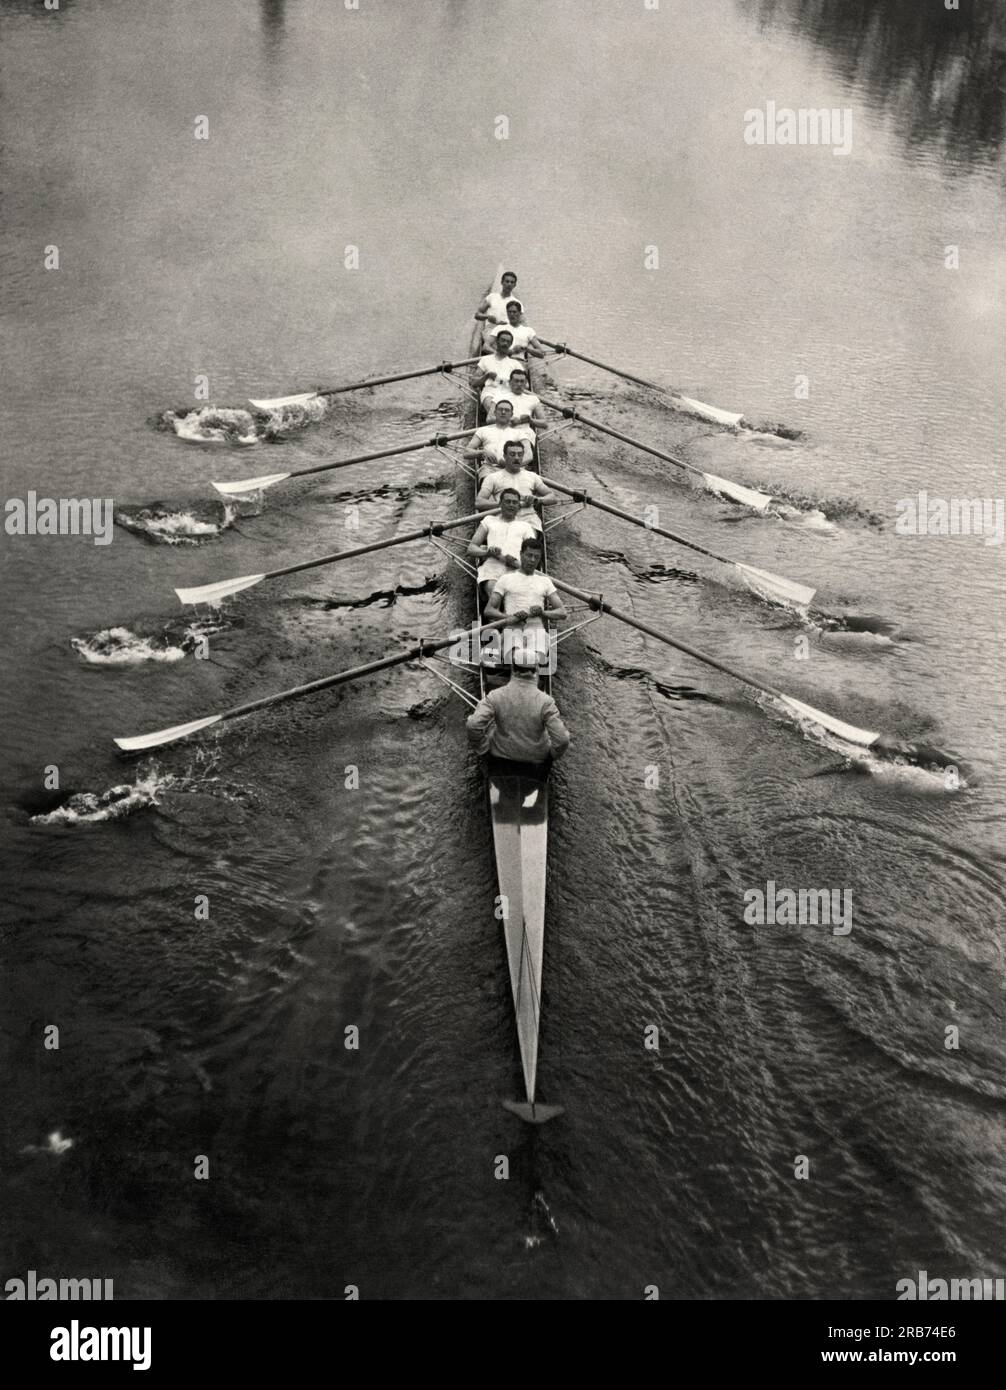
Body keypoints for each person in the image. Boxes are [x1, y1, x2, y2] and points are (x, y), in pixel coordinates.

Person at [466, 650, 571, 773]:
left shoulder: (495, 696)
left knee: (491, 727)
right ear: (536, 669)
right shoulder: (546, 702)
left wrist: (483, 748)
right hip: (536, 761)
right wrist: (552, 755)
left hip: (500, 758)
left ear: (512, 668)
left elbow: (473, 725)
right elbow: (563, 740)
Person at [483, 534, 567, 667]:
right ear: (521, 554)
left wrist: (542, 613)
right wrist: (508, 617)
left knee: (533, 659)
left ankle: (498, 650)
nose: (532, 560)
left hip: (536, 628)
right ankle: (501, 646)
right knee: (520, 659)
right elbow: (488, 611)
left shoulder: (545, 581)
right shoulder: (506, 579)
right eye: (529, 555)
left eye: (536, 557)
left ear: (540, 559)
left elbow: (562, 612)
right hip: (513, 627)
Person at [467, 487, 538, 607]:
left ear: (518, 506)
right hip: (492, 569)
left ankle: (502, 619)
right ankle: (495, 619)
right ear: (500, 504)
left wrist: (518, 562)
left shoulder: (525, 526)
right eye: (507, 501)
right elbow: (471, 548)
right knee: (495, 590)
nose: (511, 505)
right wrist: (487, 553)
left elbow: (534, 555)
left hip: (516, 569)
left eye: (515, 502)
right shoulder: (489, 520)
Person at [476, 440, 558, 529]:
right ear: (504, 456)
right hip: (504, 523)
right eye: (512, 454)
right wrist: (501, 504)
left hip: (529, 523)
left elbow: (552, 497)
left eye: (520, 455)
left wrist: (537, 500)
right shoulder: (492, 478)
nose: (516, 458)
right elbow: (479, 502)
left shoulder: (532, 476)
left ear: (523, 457)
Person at [464, 399, 535, 473]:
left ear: (511, 414)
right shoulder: (483, 430)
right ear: (494, 413)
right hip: (490, 469)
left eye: (507, 410)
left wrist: (514, 464)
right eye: (500, 410)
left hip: (514, 469)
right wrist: (482, 452)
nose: (503, 412)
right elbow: (466, 452)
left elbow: (529, 455)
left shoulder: (519, 432)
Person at [474, 329, 522, 415]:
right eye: (503, 340)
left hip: (509, 392)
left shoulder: (515, 364)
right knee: (496, 412)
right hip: (490, 392)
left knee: (512, 412)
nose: (505, 344)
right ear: (496, 342)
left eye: (508, 342)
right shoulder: (485, 360)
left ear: (510, 344)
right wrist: (486, 376)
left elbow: (526, 385)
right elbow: (473, 382)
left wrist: (514, 384)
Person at [492, 366, 548, 438]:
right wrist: (508, 419)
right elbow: (489, 418)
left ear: (526, 383)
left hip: (525, 434)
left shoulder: (533, 399)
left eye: (522, 381)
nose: (519, 384)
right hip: (503, 432)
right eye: (516, 381)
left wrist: (530, 420)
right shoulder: (499, 397)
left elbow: (545, 423)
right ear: (510, 382)